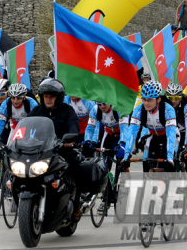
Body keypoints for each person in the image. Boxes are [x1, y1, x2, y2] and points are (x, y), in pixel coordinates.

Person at [28, 79, 82, 219]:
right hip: (40, 152)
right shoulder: (36, 111)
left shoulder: (67, 110)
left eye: (52, 96)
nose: (48, 98)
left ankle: (76, 204)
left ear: (59, 97)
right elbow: (25, 127)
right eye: (46, 96)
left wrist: (70, 139)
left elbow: (73, 127)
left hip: (61, 150)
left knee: (76, 168)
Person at [124, 82, 177, 172]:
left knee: (170, 164)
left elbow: (171, 134)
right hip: (152, 135)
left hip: (167, 136)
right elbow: (132, 132)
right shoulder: (139, 109)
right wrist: (126, 155)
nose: (146, 103)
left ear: (158, 100)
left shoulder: (168, 109)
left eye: (149, 100)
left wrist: (170, 157)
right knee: (146, 162)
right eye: (144, 99)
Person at [84, 101, 129, 171]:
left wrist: (123, 143)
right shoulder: (95, 110)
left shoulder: (118, 108)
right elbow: (90, 128)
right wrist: (88, 141)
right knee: (103, 161)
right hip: (108, 133)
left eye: (104, 103)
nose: (102, 106)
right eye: (99, 104)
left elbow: (124, 128)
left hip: (121, 134)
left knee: (121, 160)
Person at [165, 83, 187, 172]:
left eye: (176, 98)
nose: (173, 101)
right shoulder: (164, 106)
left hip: (185, 133)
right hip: (171, 134)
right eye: (170, 98)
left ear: (181, 97)